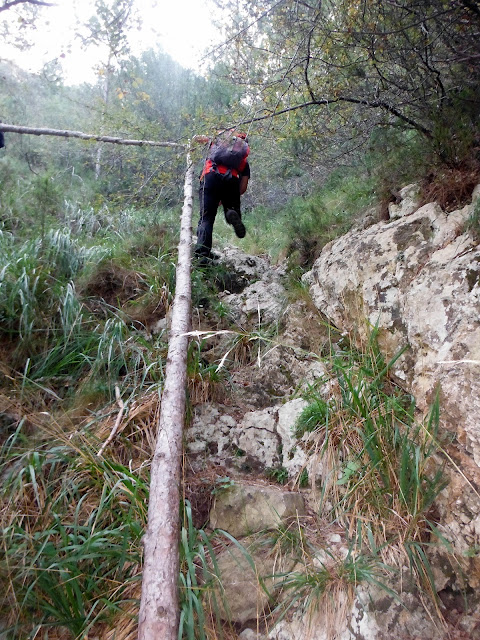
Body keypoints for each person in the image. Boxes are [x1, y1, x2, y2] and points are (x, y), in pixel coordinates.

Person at [194, 131, 250, 263]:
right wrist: (228, 197)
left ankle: (203, 255)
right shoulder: (243, 161)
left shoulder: (216, 144)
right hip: (232, 181)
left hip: (211, 176)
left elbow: (198, 138)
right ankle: (231, 212)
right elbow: (242, 188)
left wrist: (194, 140)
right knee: (232, 208)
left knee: (206, 218)